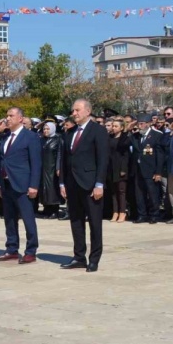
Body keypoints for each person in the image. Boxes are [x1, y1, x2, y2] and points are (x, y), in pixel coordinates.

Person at [59, 99, 109, 273]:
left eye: (77, 110)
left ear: (88, 111)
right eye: (73, 111)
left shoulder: (98, 131)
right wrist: (62, 182)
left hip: (90, 184)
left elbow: (103, 160)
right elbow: (65, 160)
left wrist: (99, 184)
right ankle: (79, 256)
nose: (74, 114)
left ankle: (94, 258)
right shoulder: (70, 133)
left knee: (94, 223)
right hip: (73, 184)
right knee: (76, 221)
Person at [0, 107, 41, 264]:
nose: (8, 118)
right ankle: (12, 249)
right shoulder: (6, 137)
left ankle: (31, 251)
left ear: (20, 118)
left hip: (23, 185)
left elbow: (36, 163)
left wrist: (34, 185)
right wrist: (0, 184)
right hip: (7, 184)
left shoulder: (30, 137)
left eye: (11, 115)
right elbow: (3, 161)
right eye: (7, 115)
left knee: (28, 219)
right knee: (9, 219)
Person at [130, 114, 165, 224]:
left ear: (149, 123)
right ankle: (142, 215)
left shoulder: (156, 135)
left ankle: (154, 214)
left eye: (142, 124)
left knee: (152, 193)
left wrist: (158, 172)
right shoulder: (135, 136)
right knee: (139, 194)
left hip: (151, 170)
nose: (140, 126)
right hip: (138, 169)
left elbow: (160, 155)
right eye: (138, 124)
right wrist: (128, 128)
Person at [107, 119, 130, 223]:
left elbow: (126, 155)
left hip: (120, 168)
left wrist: (123, 169)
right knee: (113, 192)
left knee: (121, 191)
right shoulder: (109, 138)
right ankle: (115, 212)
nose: (114, 128)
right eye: (113, 126)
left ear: (121, 128)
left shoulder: (124, 139)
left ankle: (122, 212)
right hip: (111, 168)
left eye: (116, 126)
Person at [39, 120, 63, 219]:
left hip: (52, 168)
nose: (45, 131)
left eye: (48, 129)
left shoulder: (58, 139)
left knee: (52, 189)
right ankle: (46, 209)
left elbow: (59, 155)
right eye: (44, 129)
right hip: (43, 168)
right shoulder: (41, 140)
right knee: (44, 189)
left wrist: (58, 167)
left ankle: (54, 210)